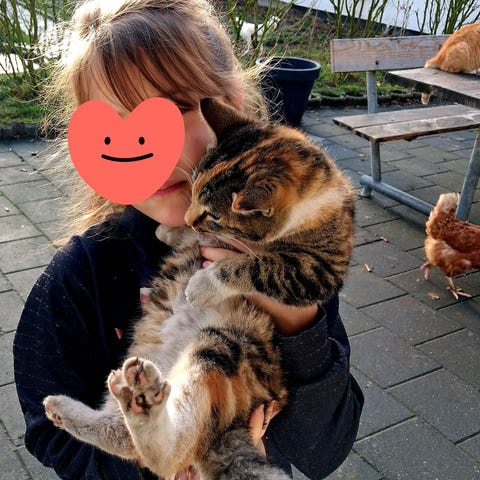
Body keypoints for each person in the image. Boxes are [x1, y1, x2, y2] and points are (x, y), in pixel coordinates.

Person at [13, 1, 363, 479]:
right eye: (114, 124)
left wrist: (298, 321)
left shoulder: (289, 259)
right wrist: (151, 467)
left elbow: (327, 448)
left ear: (230, 106)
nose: (142, 148)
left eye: (173, 109)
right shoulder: (78, 279)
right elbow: (45, 430)